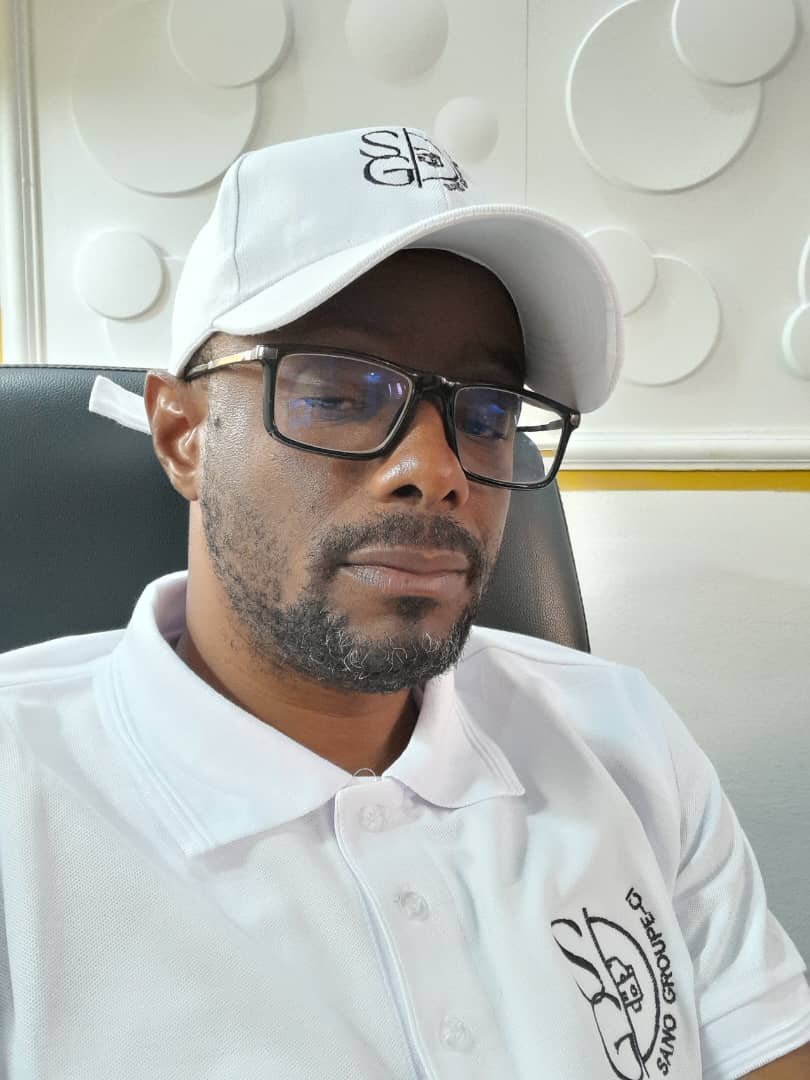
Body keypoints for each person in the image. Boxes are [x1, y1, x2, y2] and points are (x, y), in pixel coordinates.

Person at [1, 126, 808, 1078]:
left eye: (487, 412)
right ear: (184, 435)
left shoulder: (622, 735)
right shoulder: (25, 804)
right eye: (339, 393)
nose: (436, 468)